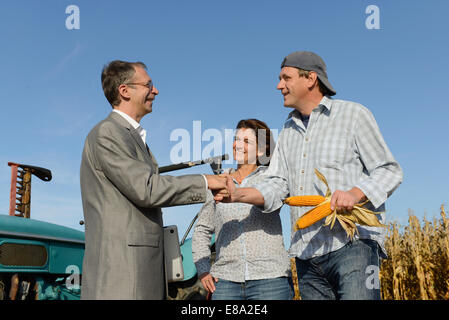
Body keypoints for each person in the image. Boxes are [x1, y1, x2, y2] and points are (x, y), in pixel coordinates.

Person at [215, 51, 403, 300]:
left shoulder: (353, 115)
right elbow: (278, 184)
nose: (279, 85)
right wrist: (239, 194)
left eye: (286, 78)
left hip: (352, 245)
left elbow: (389, 170)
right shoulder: (288, 130)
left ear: (311, 79)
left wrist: (355, 194)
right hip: (306, 255)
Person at [80, 60, 226, 300]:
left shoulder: (131, 137)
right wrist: (206, 182)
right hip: (124, 276)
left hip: (139, 271)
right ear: (125, 91)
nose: (155, 91)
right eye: (148, 85)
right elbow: (146, 188)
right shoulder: (108, 133)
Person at [192, 119, 293, 300]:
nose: (238, 145)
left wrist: (237, 194)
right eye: (236, 139)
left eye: (246, 142)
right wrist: (203, 270)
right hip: (225, 282)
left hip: (270, 279)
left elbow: (271, 198)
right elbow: (202, 228)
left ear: (261, 150)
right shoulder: (219, 181)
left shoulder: (272, 179)